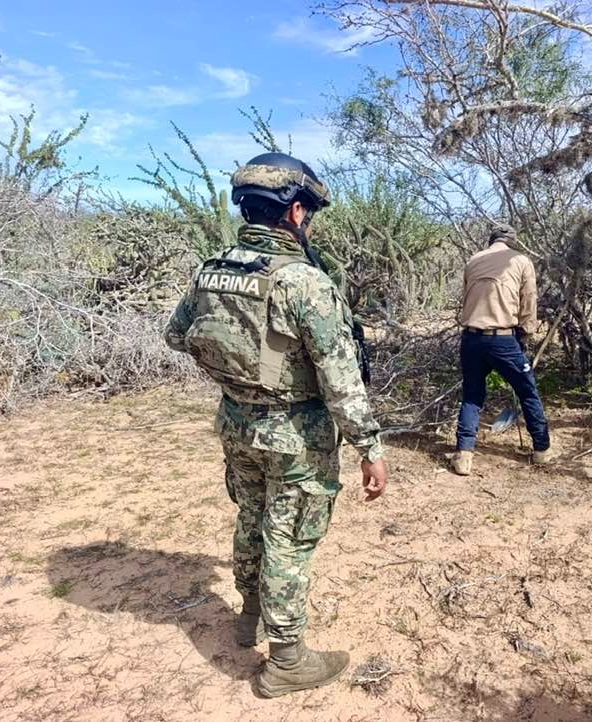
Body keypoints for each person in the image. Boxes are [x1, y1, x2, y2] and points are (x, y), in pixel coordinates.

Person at [163, 152, 388, 698]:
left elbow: (177, 336)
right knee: (287, 538)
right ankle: (286, 660)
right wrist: (369, 446)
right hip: (295, 438)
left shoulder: (212, 270)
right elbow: (340, 379)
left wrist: (237, 379)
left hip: (237, 425)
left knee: (252, 519)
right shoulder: (305, 283)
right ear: (294, 213)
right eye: (307, 211)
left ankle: (250, 617)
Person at [453, 223, 552, 475]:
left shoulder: (474, 260)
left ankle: (464, 454)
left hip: (471, 338)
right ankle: (541, 450)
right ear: (511, 242)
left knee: (472, 395)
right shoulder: (520, 260)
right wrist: (527, 331)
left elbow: (465, 297)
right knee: (527, 391)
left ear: (492, 241)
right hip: (504, 340)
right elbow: (528, 299)